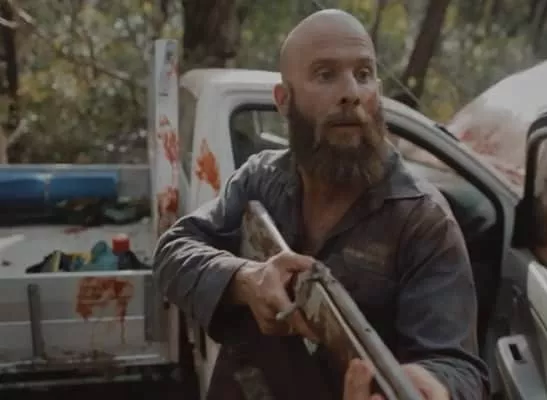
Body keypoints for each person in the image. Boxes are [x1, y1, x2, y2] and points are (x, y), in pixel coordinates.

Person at [153, 8, 489, 400]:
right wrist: (246, 280)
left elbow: (459, 369)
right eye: (325, 74)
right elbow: (172, 252)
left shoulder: (423, 220)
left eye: (363, 74)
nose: (351, 92)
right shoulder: (261, 179)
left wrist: (432, 387)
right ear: (283, 100)